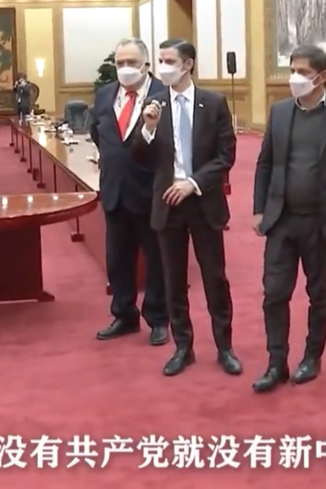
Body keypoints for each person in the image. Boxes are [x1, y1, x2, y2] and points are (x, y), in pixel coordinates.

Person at [251, 45, 326, 393]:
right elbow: (265, 163)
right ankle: (276, 363)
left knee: (318, 292)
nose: (295, 78)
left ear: (322, 76)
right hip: (281, 220)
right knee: (274, 293)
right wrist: (259, 208)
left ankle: (312, 357)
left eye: (302, 72)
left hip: (322, 222)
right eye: (292, 70)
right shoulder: (280, 111)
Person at [133, 39, 239, 377]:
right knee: (173, 278)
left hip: (202, 200)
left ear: (188, 65)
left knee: (214, 278)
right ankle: (183, 347)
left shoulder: (213, 103)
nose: (162, 67)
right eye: (160, 60)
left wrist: (193, 183)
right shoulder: (155, 104)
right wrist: (148, 128)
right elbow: (139, 157)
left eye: (169, 61)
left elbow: (226, 155)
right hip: (167, 203)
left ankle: (224, 347)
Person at [88, 38, 169, 346]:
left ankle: (158, 318)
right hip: (115, 190)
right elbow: (98, 133)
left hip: (151, 191)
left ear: (146, 64)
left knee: (157, 260)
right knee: (118, 259)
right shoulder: (105, 94)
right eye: (120, 63)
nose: (125, 68)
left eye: (131, 63)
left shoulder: (164, 94)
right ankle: (124, 315)